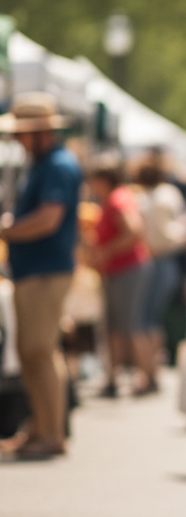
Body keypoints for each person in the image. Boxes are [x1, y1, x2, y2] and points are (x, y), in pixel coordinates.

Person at [0, 93, 81, 458]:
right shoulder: (47, 163)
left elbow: (49, 219)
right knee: (31, 351)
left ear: (40, 133)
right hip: (36, 269)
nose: (18, 140)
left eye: (22, 133)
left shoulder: (57, 165)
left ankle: (52, 433)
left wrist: (8, 230)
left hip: (46, 270)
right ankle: (41, 428)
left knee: (39, 350)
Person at [87, 159, 153, 396]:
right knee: (117, 326)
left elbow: (134, 231)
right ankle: (114, 377)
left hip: (127, 269)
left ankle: (146, 377)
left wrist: (107, 251)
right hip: (122, 270)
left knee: (130, 324)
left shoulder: (117, 199)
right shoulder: (118, 197)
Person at [133, 156, 186, 386]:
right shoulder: (168, 193)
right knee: (153, 317)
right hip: (167, 261)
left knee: (147, 318)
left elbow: (167, 233)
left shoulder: (152, 198)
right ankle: (151, 371)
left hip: (158, 260)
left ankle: (149, 373)